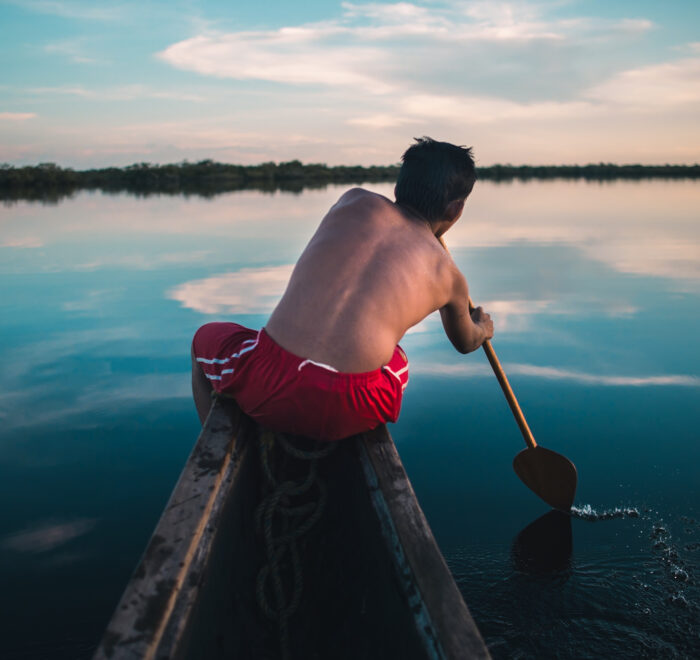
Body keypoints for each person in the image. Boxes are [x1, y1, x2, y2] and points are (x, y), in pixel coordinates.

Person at [191, 137, 494, 440]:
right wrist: (483, 328)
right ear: (455, 210)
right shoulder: (449, 276)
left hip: (267, 382)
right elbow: (466, 342)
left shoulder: (353, 200)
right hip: (353, 406)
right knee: (396, 357)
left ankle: (216, 445)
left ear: (398, 189)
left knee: (201, 341)